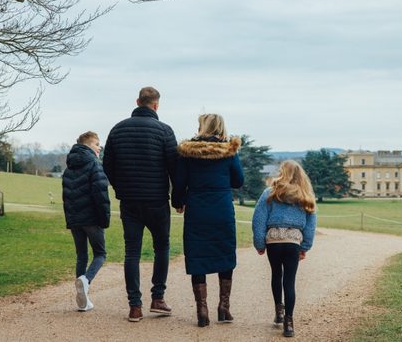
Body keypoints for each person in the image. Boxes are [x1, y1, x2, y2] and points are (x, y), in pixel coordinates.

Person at [102, 86, 177, 322]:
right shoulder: (164, 131)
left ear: (137, 102)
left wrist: (120, 187)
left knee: (132, 252)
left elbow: (107, 167)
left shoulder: (117, 129)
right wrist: (178, 199)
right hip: (156, 200)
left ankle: (135, 305)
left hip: (130, 201)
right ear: (156, 105)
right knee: (161, 247)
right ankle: (158, 297)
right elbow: (175, 168)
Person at [172, 114, 244, 327]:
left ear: (202, 127)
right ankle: (224, 307)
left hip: (197, 209)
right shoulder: (229, 151)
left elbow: (179, 183)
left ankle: (201, 310)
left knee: (197, 255)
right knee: (224, 252)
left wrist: (178, 202)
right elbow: (238, 181)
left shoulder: (187, 152)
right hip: (221, 209)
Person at [251, 160, 317, 337]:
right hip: (293, 241)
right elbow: (311, 224)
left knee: (276, 274)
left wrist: (259, 243)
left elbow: (258, 219)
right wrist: (305, 246)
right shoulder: (305, 195)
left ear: (282, 173)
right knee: (289, 281)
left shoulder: (270, 192)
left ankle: (279, 312)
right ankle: (289, 322)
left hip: (273, 240)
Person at [62, 131, 110, 312]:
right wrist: (104, 219)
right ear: (88, 145)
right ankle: (86, 280)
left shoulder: (69, 168)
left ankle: (83, 300)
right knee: (100, 253)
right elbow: (101, 195)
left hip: (75, 220)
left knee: (81, 255)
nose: (99, 147)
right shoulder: (94, 165)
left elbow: (66, 197)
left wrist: (70, 219)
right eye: (97, 144)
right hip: (92, 219)